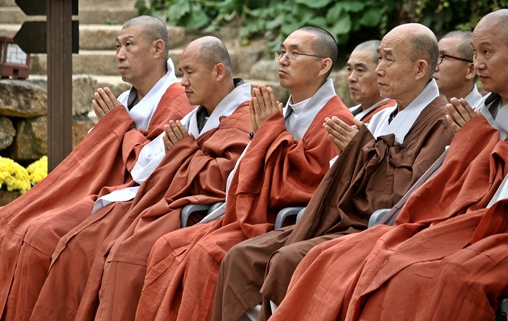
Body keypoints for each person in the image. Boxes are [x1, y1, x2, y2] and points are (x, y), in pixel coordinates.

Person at [267, 8, 508, 321]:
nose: (478, 64)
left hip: (489, 229)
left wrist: (478, 142)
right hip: (435, 218)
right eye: (474, 53)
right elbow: (447, 180)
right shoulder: (479, 110)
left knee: (410, 271)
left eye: (486, 53)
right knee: (328, 256)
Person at [213, 23, 456, 321]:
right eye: (379, 58)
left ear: (420, 68)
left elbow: (406, 198)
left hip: (374, 230)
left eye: (388, 59)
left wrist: (363, 151)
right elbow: (338, 181)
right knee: (240, 257)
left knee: (286, 259)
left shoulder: (441, 122)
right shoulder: (383, 117)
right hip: (340, 219)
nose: (378, 69)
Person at [128, 25, 355, 321]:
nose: (283, 60)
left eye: (295, 53)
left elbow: (309, 185)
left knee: (206, 253)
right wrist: (267, 134)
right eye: (281, 52)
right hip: (253, 213)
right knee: (167, 245)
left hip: (283, 222)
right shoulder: (281, 111)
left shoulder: (335, 119)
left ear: (324, 65)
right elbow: (247, 170)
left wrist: (271, 133)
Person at [25, 36, 253, 321]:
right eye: (182, 73)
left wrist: (179, 152)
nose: (183, 83)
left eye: (190, 72)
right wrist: (124, 128)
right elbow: (146, 165)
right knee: (76, 242)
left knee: (122, 255)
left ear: (218, 72)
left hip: (194, 212)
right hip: (152, 199)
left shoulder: (245, 118)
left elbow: (229, 181)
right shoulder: (193, 116)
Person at [0, 15, 193, 320]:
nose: (119, 54)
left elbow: (149, 168)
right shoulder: (122, 100)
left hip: (134, 200)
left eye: (129, 45)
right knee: (12, 223)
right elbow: (94, 157)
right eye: (117, 46)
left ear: (158, 49)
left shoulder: (179, 101)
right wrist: (115, 125)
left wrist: (117, 125)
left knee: (41, 235)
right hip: (101, 190)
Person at [346, 40, 396, 122]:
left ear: (381, 72)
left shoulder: (389, 116)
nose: (351, 78)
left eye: (360, 70)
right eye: (349, 69)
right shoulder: (350, 112)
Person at [434, 30, 484, 106]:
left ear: (471, 71)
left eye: (443, 57)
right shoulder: (422, 106)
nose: (434, 66)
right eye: (434, 56)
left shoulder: (484, 114)